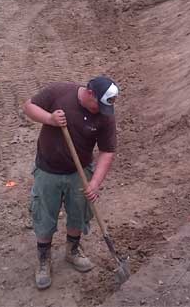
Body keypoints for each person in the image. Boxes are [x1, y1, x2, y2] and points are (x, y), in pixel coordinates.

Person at [21, 76, 119, 290]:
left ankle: (72, 250)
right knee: (44, 214)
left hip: (79, 172)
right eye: (98, 105)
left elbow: (107, 151)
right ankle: (44, 258)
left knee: (78, 213)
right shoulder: (59, 91)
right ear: (90, 93)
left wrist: (95, 182)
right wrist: (50, 119)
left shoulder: (105, 114)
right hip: (48, 169)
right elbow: (29, 107)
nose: (101, 112)